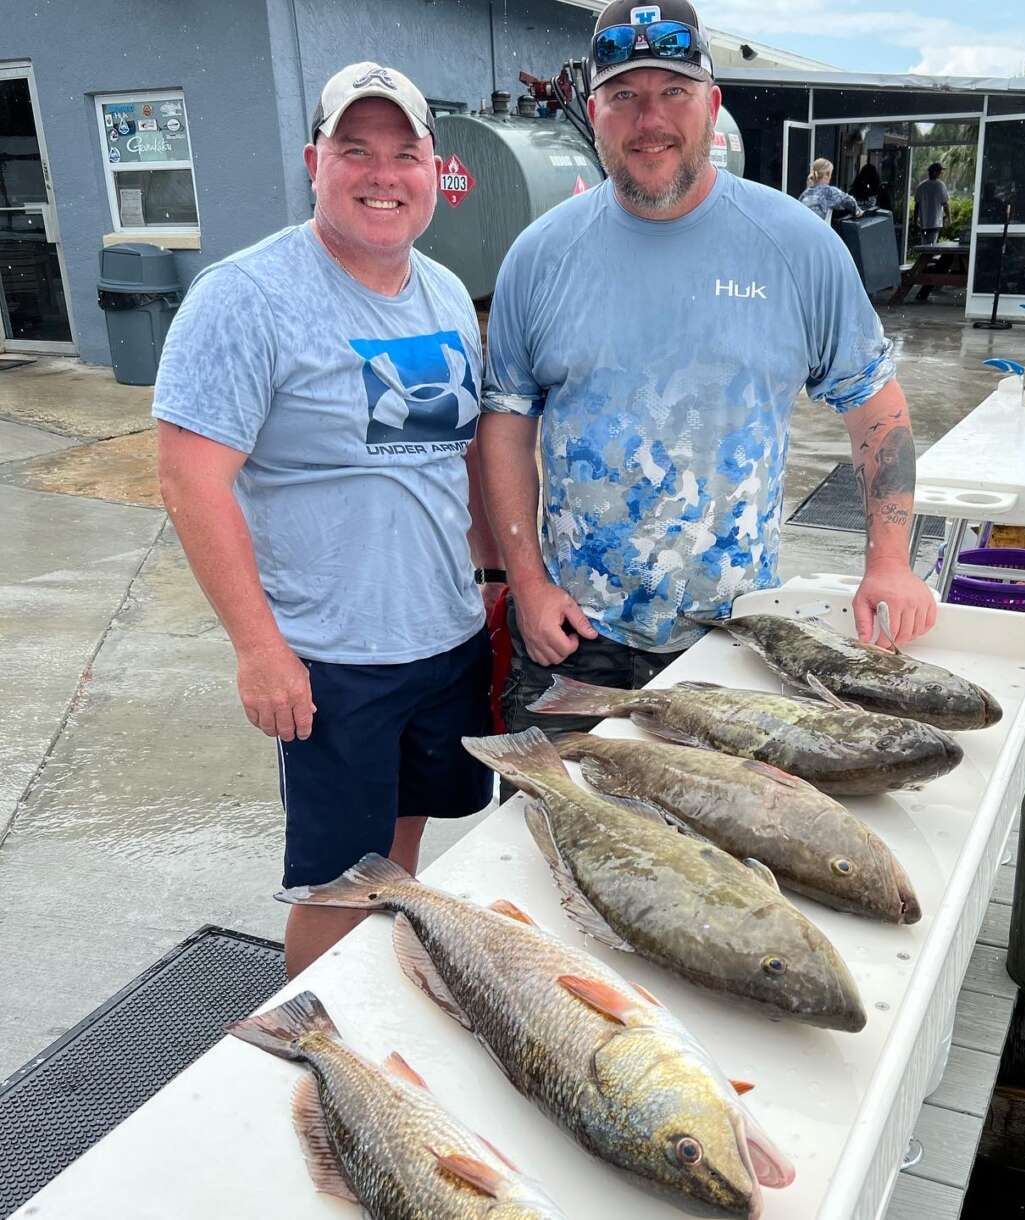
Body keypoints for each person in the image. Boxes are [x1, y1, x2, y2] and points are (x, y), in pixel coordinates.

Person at [478, 0, 936, 746]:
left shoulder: (797, 247)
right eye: (623, 95)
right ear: (593, 112)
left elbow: (876, 408)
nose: (647, 118)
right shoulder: (541, 255)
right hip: (573, 634)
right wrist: (525, 583)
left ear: (712, 107)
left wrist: (889, 564)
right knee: (544, 843)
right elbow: (504, 424)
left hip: (734, 637)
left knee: (719, 853)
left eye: (673, 92)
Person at [152, 62, 502, 976]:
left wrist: (494, 579)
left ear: (435, 172)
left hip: (442, 640)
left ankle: (378, 1003)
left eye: (404, 153)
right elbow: (192, 480)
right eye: (356, 150)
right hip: (334, 661)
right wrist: (259, 647)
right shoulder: (245, 297)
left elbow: (445, 460)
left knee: (397, 867)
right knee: (337, 884)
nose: (382, 174)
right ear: (316, 160)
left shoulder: (439, 295)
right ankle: (314, 1048)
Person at [798, 158, 861, 223]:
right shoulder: (829, 191)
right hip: (820, 231)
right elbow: (849, 201)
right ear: (827, 175)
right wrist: (857, 212)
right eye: (831, 174)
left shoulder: (805, 193)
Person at [914, 162, 951, 245]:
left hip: (924, 223)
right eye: (940, 171)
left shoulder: (921, 186)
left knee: (924, 246)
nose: (941, 173)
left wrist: (915, 221)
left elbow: (917, 205)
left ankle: (925, 257)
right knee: (932, 247)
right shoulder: (940, 185)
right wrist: (949, 218)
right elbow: (945, 204)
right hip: (935, 223)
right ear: (935, 172)